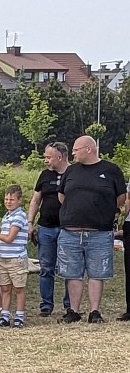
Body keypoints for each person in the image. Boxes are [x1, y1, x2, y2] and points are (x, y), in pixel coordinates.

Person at [57, 135, 127, 324]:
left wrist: (107, 210)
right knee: (72, 272)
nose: (72, 153)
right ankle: (73, 311)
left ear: (88, 149)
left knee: (97, 273)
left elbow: (121, 197)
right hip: (70, 231)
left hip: (99, 232)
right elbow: (61, 197)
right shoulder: (71, 171)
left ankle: (94, 311)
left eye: (75, 149)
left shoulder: (111, 170)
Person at [27, 142, 71, 316]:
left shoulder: (74, 173)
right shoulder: (45, 175)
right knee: (46, 267)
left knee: (69, 267)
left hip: (68, 228)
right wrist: (30, 222)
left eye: (48, 157)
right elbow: (36, 200)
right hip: (45, 227)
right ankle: (46, 304)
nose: (45, 160)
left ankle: (70, 305)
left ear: (59, 157)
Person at [0, 184, 30, 328]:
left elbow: (9, 238)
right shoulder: (7, 216)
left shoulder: (19, 216)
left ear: (19, 200)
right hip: (4, 257)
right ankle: (5, 315)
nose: (8, 202)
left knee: (19, 288)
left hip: (16, 258)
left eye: (11, 199)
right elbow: (2, 238)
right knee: (5, 288)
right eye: (6, 199)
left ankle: (19, 316)